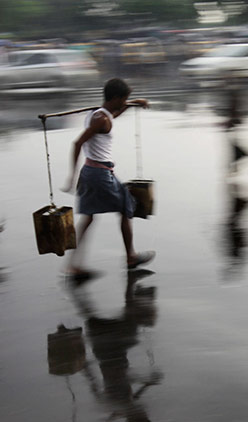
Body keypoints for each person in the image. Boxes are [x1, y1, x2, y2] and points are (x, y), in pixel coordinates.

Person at [61, 78, 154, 281]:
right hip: (100, 175)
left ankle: (72, 266)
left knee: (88, 218)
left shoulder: (99, 114)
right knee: (126, 207)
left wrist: (134, 102)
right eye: (124, 99)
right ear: (115, 98)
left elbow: (116, 112)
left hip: (90, 171)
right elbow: (77, 143)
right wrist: (71, 176)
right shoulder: (100, 119)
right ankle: (130, 256)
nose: (124, 103)